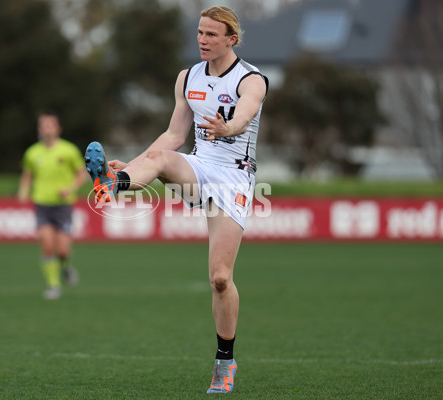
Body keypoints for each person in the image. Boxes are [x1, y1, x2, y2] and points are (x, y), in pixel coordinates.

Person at [85, 6, 267, 394]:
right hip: (199, 167)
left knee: (220, 278)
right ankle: (113, 182)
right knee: (161, 158)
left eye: (212, 35)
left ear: (231, 39)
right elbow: (172, 135)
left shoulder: (251, 79)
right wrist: (135, 164)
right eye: (200, 32)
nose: (202, 39)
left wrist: (228, 126)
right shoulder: (188, 77)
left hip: (234, 176)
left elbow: (245, 115)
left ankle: (225, 360)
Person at [18, 110, 88, 300]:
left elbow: (83, 173)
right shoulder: (32, 152)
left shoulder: (69, 150)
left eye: (51, 125)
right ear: (39, 129)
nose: (47, 128)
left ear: (58, 128)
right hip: (42, 204)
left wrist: (70, 188)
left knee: (63, 251)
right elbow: (27, 174)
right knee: (47, 246)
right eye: (43, 125)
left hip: (63, 206)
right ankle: (53, 286)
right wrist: (23, 191)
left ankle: (66, 267)